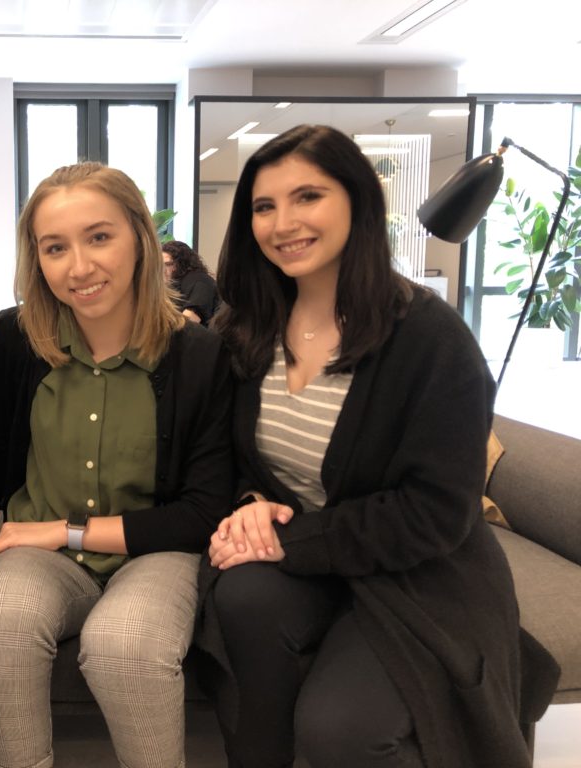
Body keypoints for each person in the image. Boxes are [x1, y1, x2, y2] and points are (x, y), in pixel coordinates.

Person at [199, 124, 551, 768]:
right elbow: (233, 458)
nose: (284, 222)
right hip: (309, 560)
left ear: (358, 201)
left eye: (308, 196)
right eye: (264, 206)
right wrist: (250, 502)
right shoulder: (244, 329)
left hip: (417, 573)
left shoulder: (430, 340)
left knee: (342, 729)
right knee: (240, 597)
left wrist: (289, 539)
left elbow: (437, 511)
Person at [0, 162, 233, 768]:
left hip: (154, 552)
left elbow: (202, 511)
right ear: (37, 261)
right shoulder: (16, 343)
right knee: (0, 627)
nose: (79, 267)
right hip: (41, 558)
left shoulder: (199, 357)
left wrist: (65, 531)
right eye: (55, 247)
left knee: (126, 644)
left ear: (140, 237)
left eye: (99, 237)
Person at [162, 239, 219, 325]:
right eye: (161, 265)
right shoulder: (176, 285)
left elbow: (189, 322)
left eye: (168, 264)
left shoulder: (200, 281)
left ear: (182, 263)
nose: (163, 270)